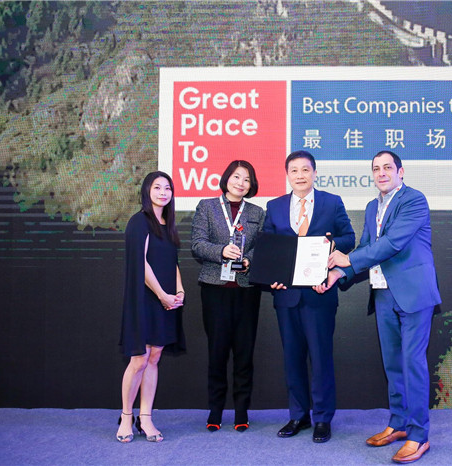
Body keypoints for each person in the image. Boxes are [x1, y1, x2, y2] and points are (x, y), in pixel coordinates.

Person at [319, 151, 441, 463]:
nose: (382, 173)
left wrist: (348, 258)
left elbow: (392, 244)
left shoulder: (414, 200)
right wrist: (339, 273)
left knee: (412, 363)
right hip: (383, 293)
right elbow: (367, 248)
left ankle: (419, 435)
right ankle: (398, 423)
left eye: (388, 167)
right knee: (393, 364)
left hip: (414, 294)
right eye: (376, 168)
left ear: (401, 171)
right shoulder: (373, 206)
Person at [263, 150, 355, 443]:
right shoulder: (275, 206)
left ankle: (323, 418)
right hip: (286, 296)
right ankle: (298, 415)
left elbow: (349, 237)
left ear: (315, 173)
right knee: (292, 359)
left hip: (320, 293)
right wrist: (271, 277)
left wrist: (330, 245)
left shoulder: (332, 202)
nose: (300, 175)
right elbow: (268, 247)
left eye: (305, 170)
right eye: (294, 170)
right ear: (287, 175)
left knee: (320, 358)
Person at [191, 160, 265, 433]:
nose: (241, 183)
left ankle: (242, 410)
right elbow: (197, 244)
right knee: (217, 351)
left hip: (246, 290)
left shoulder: (257, 212)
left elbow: (262, 247)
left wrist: (248, 260)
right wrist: (221, 251)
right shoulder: (207, 206)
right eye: (236, 177)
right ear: (226, 179)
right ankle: (215, 409)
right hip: (215, 289)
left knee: (244, 352)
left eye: (247, 179)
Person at [117, 171, 186, 443]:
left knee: (155, 357)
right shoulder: (139, 222)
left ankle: (145, 418)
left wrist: (179, 291)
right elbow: (141, 263)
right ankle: (126, 417)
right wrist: (162, 295)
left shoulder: (168, 223)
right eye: (157, 187)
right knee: (139, 359)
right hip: (146, 298)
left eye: (167, 188)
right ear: (147, 191)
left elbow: (172, 262)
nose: (163, 192)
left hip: (166, 299)